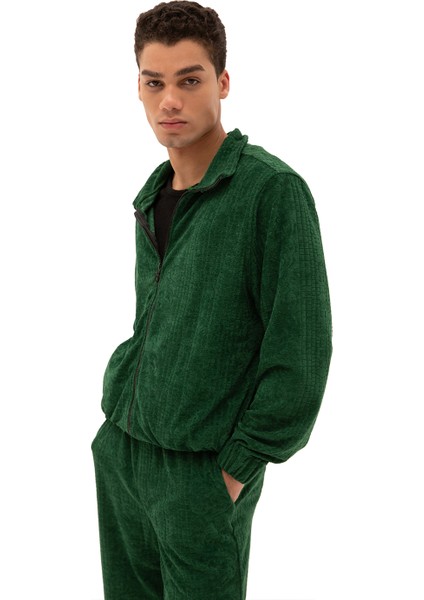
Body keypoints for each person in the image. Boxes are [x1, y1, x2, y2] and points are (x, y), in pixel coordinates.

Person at [91, 2, 332, 599]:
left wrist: (235, 470)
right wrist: (114, 433)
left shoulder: (271, 191)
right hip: (123, 451)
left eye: (190, 80)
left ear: (222, 83)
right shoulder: (153, 194)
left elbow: (300, 352)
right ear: (139, 89)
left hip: (201, 474)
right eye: (154, 83)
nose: (170, 100)